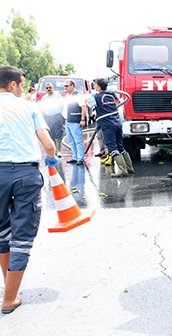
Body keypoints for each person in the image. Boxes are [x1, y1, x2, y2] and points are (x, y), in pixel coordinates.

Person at [0, 65, 58, 314]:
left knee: (2, 233)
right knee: (22, 236)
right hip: (25, 174)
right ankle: (9, 298)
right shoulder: (29, 107)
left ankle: (10, 286)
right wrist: (52, 158)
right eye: (22, 84)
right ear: (12, 84)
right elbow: (48, 144)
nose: (23, 88)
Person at [88, 78, 134, 177]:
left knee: (112, 147)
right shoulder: (111, 95)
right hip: (117, 123)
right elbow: (117, 104)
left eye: (95, 85)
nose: (94, 86)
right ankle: (129, 168)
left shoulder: (95, 97)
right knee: (120, 146)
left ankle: (122, 170)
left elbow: (90, 106)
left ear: (99, 87)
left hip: (107, 125)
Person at [62, 80, 87, 165]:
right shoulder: (67, 96)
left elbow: (83, 107)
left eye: (67, 86)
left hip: (75, 121)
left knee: (78, 141)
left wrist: (82, 119)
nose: (65, 88)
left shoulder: (78, 96)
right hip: (68, 120)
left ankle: (80, 158)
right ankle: (75, 157)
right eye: (64, 86)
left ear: (73, 86)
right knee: (71, 141)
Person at [40, 83, 65, 157]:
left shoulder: (58, 96)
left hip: (57, 116)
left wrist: (59, 113)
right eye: (47, 88)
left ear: (52, 88)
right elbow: (42, 108)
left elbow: (62, 105)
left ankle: (58, 151)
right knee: (50, 134)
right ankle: (53, 151)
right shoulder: (44, 98)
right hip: (48, 117)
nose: (48, 89)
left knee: (58, 134)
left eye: (50, 87)